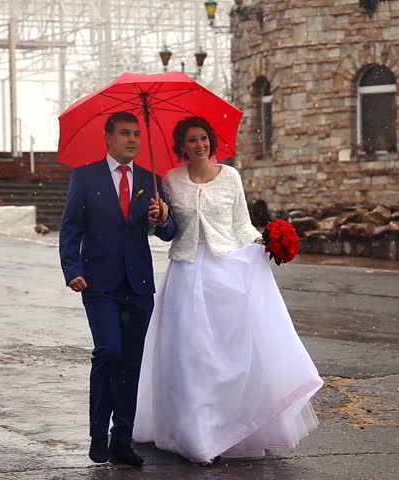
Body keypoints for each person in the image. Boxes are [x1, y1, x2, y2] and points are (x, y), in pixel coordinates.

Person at [133, 116, 323, 464]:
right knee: (191, 356)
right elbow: (169, 231)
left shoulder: (231, 177)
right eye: (191, 140)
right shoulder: (171, 180)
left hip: (227, 272)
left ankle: (230, 427)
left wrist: (266, 242)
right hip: (187, 273)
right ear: (182, 147)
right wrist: (159, 219)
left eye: (203, 138)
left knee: (227, 355)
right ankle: (196, 434)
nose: (199, 144)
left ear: (211, 142)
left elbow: (240, 223)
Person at [59, 111, 176, 467]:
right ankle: (99, 432)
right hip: (99, 284)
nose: (133, 140)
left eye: (137, 134)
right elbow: (70, 228)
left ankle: (122, 439)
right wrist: (71, 269)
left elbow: (169, 233)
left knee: (131, 362)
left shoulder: (151, 179)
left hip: (138, 284)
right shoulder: (85, 176)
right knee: (109, 352)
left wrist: (163, 217)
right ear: (107, 138)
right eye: (125, 133)